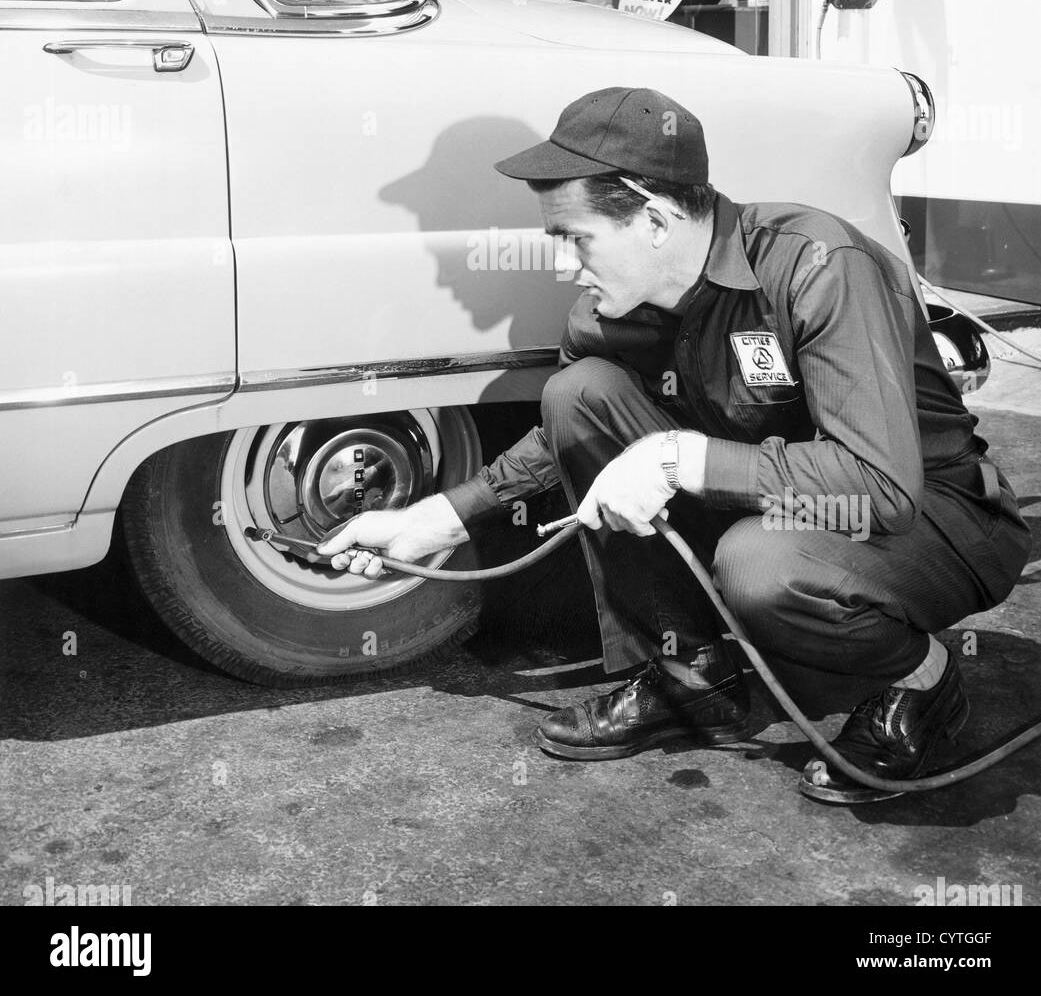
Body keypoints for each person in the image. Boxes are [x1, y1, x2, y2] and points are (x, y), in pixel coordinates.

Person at [318, 86, 1031, 804]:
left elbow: (879, 487)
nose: (566, 266)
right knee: (579, 394)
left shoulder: (815, 263)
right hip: (774, 506)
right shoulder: (609, 312)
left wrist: (676, 460)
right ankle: (693, 678)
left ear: (654, 219)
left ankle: (920, 677)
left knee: (759, 559)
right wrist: (433, 519)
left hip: (931, 518)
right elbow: (560, 434)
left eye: (576, 238)